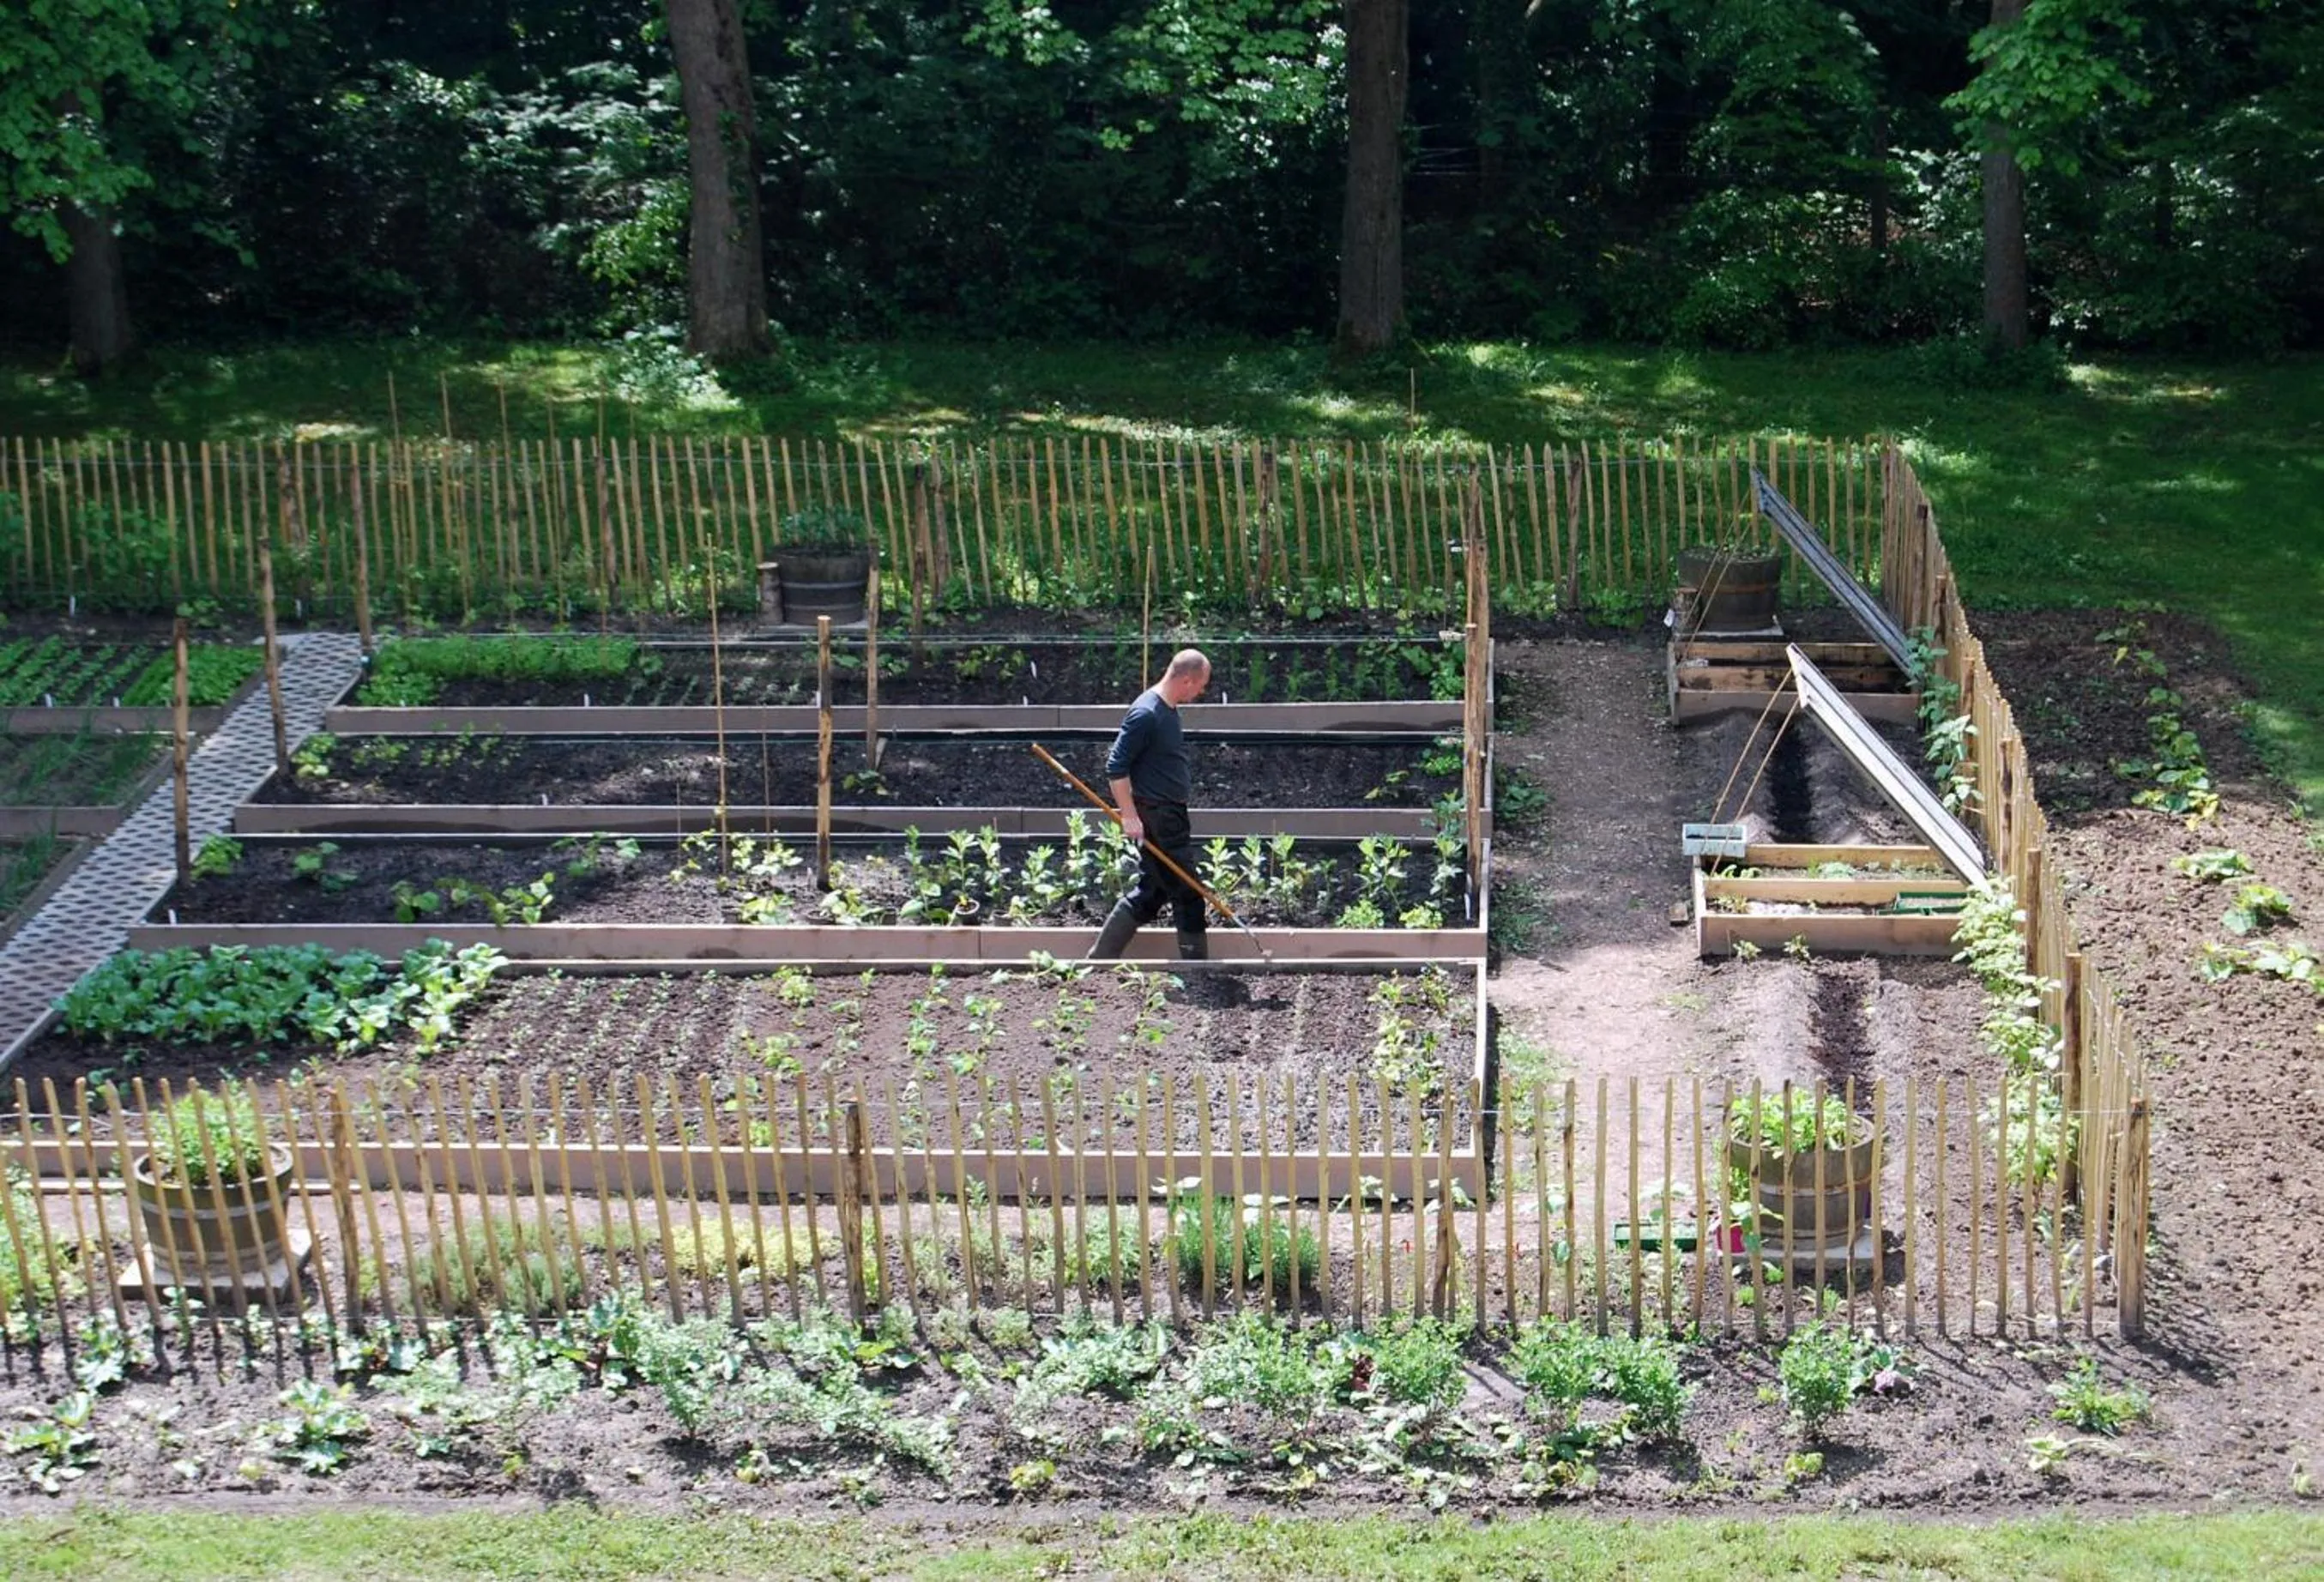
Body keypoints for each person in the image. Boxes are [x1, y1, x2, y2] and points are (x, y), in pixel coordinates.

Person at [1087, 648, 1211, 960]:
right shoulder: (1146, 713)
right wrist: (1129, 816)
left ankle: (1100, 959)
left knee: (1152, 891)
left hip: (1169, 812)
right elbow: (1116, 767)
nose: (1202, 691)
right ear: (1186, 680)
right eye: (1201, 685)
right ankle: (1199, 972)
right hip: (1158, 815)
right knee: (1189, 892)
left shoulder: (1167, 709)